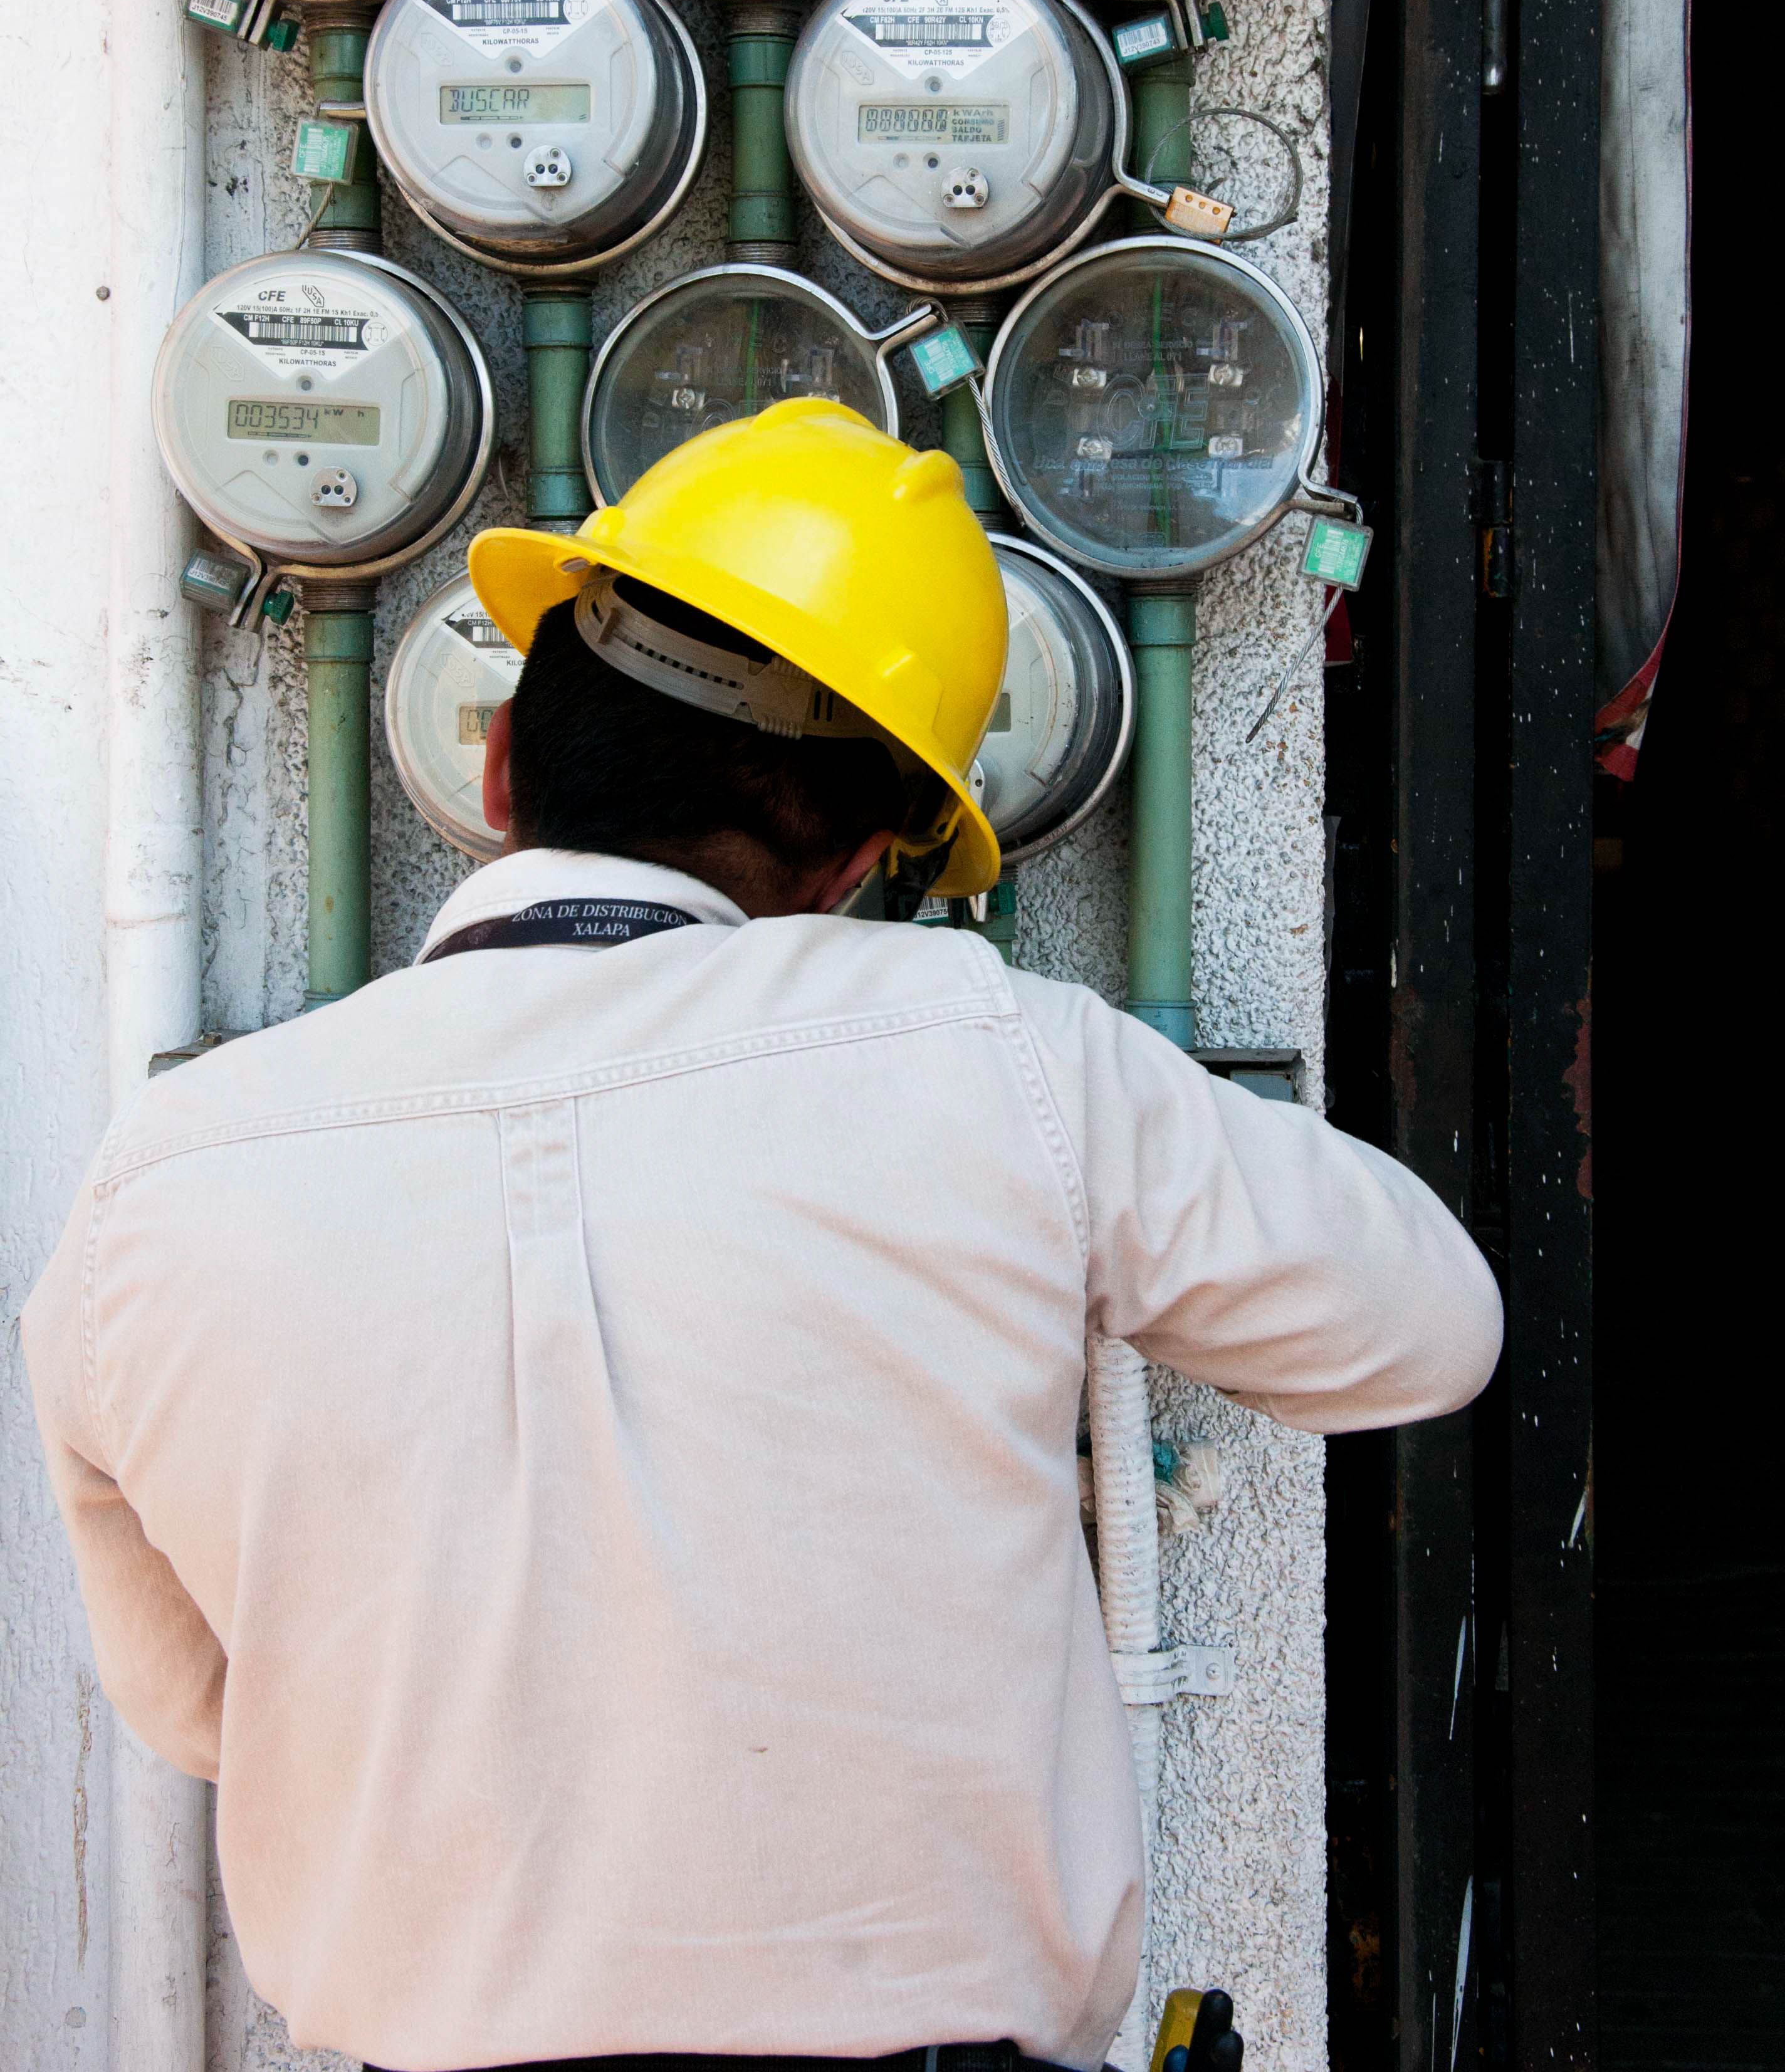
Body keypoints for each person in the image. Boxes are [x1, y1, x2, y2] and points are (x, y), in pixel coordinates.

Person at [26, 401, 1502, 2072]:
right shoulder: (997, 1052)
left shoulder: (165, 1177)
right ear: (868, 858)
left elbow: (205, 1709)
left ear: (501, 761)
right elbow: (1430, 1324)